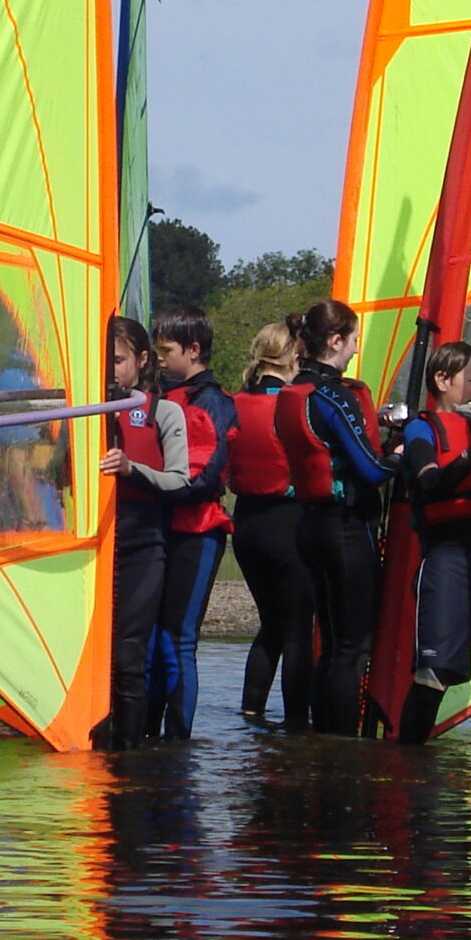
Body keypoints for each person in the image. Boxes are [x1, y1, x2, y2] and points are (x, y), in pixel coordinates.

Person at [273, 298, 389, 734]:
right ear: (335, 341)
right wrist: (405, 458)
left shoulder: (292, 391)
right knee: (351, 649)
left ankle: (319, 742)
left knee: (330, 646)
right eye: (354, 341)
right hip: (344, 530)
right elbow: (371, 470)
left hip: (309, 528)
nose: (356, 351)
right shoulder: (333, 397)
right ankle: (342, 750)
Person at [397, 340, 471, 744]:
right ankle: (408, 767)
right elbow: (430, 484)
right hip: (447, 558)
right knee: (434, 675)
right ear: (442, 380)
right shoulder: (422, 429)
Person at [96, 315, 187, 750]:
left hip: (141, 545)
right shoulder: (83, 414)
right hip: (93, 548)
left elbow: (180, 479)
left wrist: (134, 470)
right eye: (102, 362)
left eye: (117, 361)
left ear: (142, 360)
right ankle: (89, 750)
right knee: (91, 661)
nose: (110, 371)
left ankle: (128, 758)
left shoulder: (163, 412)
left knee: (128, 657)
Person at [145, 308, 236, 739]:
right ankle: (145, 732)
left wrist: (151, 485)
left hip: (198, 531)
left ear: (194, 350)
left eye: (165, 351)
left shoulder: (211, 402)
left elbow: (205, 477)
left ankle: (177, 739)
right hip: (161, 530)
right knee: (154, 638)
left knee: (179, 640)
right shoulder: (156, 396)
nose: (158, 359)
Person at [225, 319, 309, 724]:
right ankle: (298, 725)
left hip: (246, 524)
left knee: (271, 624)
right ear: (294, 356)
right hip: (286, 522)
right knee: (297, 630)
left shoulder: (235, 401)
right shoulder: (292, 402)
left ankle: (250, 711)